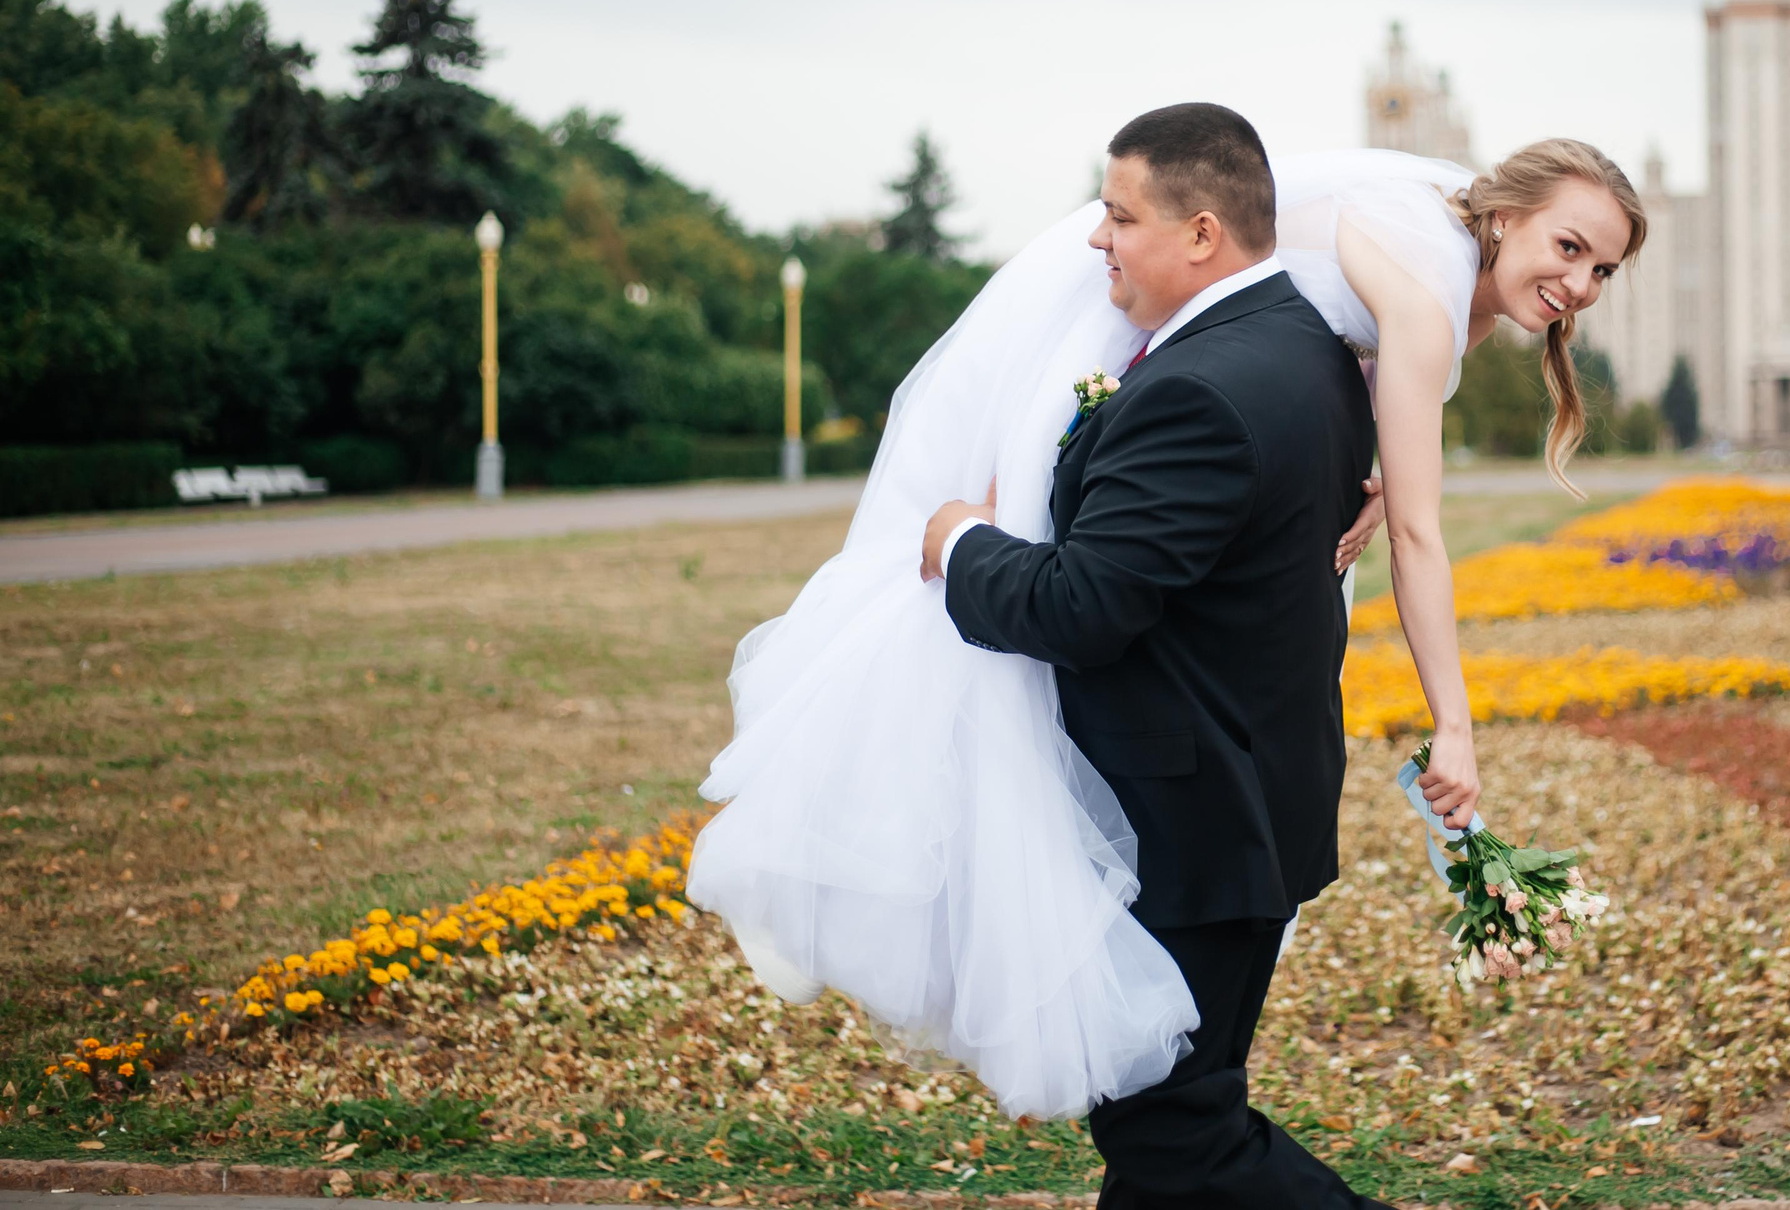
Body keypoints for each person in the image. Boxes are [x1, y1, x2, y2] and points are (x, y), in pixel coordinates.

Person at [686, 105, 1642, 1201]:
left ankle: (1002, 515)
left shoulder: (1401, 321)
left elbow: (1403, 515)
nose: (1579, 285)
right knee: (1171, 1138)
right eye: (1567, 247)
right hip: (1235, 732)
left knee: (1174, 1134)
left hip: (1204, 783)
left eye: (1601, 270)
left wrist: (962, 541)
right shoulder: (1403, 296)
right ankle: (1016, 497)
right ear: (1506, 215)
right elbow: (1376, 476)